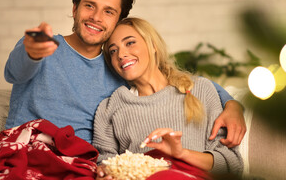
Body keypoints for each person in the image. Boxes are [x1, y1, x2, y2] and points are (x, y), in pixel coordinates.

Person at [4, 0, 245, 147]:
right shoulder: (43, 46)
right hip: (26, 154)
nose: (97, 17)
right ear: (75, 8)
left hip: (81, 167)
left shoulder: (120, 65)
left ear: (118, 22)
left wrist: (232, 104)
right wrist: (32, 51)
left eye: (108, 12)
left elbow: (178, 80)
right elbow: (15, 71)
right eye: (90, 6)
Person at [93, 17, 244, 179]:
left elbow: (231, 163)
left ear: (153, 46)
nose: (121, 54)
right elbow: (104, 163)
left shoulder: (200, 90)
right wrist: (104, 172)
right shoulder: (109, 108)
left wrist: (181, 153)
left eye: (130, 43)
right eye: (113, 51)